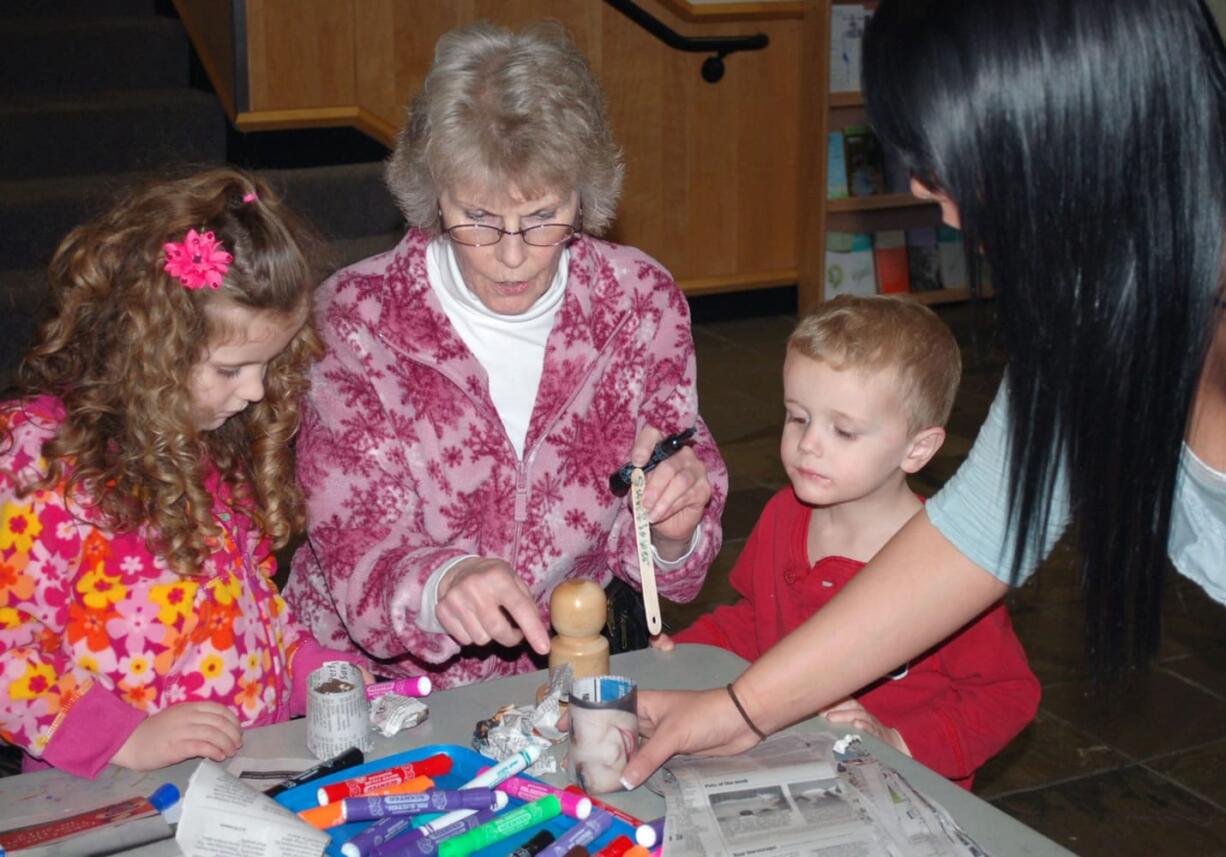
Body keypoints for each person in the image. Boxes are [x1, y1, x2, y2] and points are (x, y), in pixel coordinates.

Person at [620, 0, 1226, 789]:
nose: (923, 192)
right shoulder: (1101, 307)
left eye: (947, 161)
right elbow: (979, 532)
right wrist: (737, 709)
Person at [283, 22, 727, 688]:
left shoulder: (639, 303)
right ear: (434, 194)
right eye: (479, 219)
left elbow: (674, 559)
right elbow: (356, 551)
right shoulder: (357, 320)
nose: (514, 254)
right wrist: (441, 582)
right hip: (376, 690)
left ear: (586, 193)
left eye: (545, 216)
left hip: (560, 673)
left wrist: (674, 531)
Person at [0, 168, 369, 779]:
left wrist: (312, 670)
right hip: (118, 791)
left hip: (241, 775)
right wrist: (125, 738)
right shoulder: (42, 461)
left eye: (267, 365)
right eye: (231, 369)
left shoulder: (202, 443)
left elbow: (248, 608)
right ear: (152, 346)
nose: (253, 391)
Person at [654, 296, 1039, 789]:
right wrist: (682, 655)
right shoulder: (782, 516)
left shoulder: (951, 566)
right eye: (798, 417)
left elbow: (1006, 694)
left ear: (918, 449)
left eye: (844, 430)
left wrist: (901, 742)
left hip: (903, 793)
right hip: (791, 770)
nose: (809, 443)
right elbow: (755, 623)